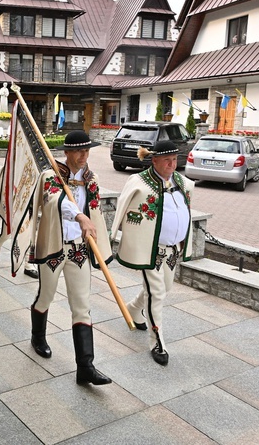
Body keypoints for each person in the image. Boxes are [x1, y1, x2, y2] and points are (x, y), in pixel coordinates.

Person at [29, 130, 113, 386]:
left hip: (79, 248)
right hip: (54, 245)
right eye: (78, 151)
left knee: (81, 304)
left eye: (87, 151)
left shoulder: (92, 179)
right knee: (47, 295)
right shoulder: (51, 175)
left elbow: (95, 211)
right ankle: (37, 336)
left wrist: (96, 238)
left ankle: (85, 366)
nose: (83, 156)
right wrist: (79, 215)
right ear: (66, 152)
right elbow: (55, 200)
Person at [111, 140, 193, 366]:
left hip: (173, 249)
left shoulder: (181, 181)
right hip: (151, 250)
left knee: (164, 288)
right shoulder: (139, 181)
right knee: (157, 294)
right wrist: (116, 236)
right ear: (154, 160)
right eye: (166, 159)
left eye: (175, 159)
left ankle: (134, 308)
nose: (172, 164)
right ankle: (157, 342)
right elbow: (124, 206)